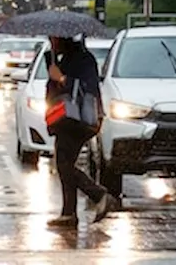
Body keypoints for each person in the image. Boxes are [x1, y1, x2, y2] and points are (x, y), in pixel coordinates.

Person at [46, 34, 116, 228]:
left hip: (79, 120)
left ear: (62, 39)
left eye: (53, 40)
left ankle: (99, 194)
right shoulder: (62, 59)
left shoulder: (84, 59)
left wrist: (61, 78)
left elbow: (88, 88)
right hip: (64, 119)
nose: (51, 43)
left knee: (64, 164)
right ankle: (69, 213)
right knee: (64, 162)